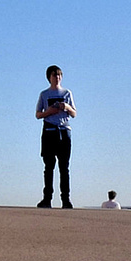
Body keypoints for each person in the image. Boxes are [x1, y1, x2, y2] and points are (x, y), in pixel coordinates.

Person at [35, 65, 76, 208]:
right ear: (49, 77)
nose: (57, 77)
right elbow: (38, 114)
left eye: (59, 75)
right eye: (54, 75)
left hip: (64, 131)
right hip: (49, 131)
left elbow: (74, 113)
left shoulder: (67, 93)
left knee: (64, 167)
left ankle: (66, 199)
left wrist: (66, 107)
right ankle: (47, 198)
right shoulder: (44, 94)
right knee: (49, 166)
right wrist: (49, 111)